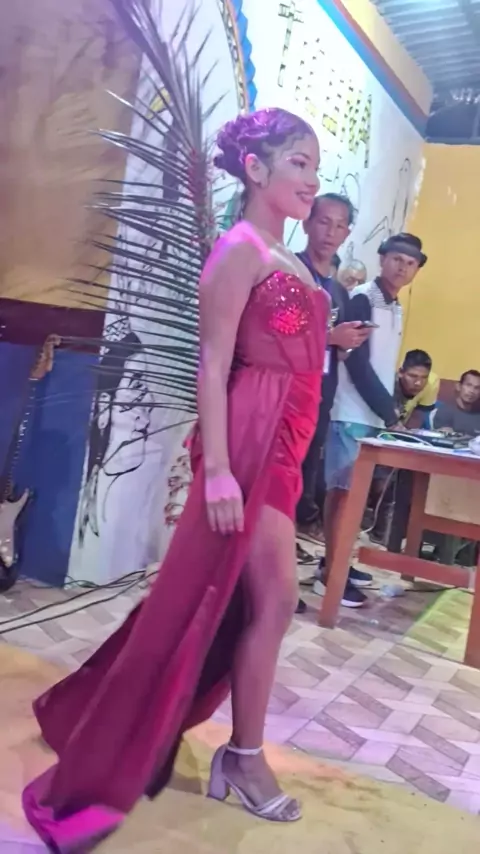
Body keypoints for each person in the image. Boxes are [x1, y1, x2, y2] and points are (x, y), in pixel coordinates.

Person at [22, 108, 331, 850]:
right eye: (297, 162)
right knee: (275, 596)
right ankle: (243, 758)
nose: (311, 180)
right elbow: (213, 363)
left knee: (231, 599)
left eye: (315, 166)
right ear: (254, 168)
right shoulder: (238, 249)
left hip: (286, 438)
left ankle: (101, 712)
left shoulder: (286, 257)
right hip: (252, 435)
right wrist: (218, 470)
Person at [319, 232, 428, 607]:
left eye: (410, 263)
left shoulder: (394, 306)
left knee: (353, 498)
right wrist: (390, 412)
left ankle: (337, 564)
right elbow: (356, 362)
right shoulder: (363, 298)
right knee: (342, 496)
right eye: (397, 259)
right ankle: (330, 576)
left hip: (371, 416)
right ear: (382, 259)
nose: (402, 268)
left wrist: (385, 413)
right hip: (350, 412)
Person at [294, 194, 373, 612]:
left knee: (300, 490)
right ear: (307, 222)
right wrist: (330, 339)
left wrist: (344, 345)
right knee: (275, 490)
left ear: (347, 233)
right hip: (283, 394)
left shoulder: (339, 290)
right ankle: (259, 584)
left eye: (340, 225)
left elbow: (330, 351)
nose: (330, 232)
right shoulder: (291, 271)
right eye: (323, 221)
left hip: (320, 397)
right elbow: (277, 336)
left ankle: (278, 580)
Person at [367, 349, 438, 546]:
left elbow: (417, 417)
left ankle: (385, 532)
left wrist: (403, 439)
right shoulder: (387, 380)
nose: (418, 383)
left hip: (399, 433)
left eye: (423, 378)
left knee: (396, 479)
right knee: (376, 479)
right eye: (413, 376)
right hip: (374, 429)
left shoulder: (432, 384)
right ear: (401, 372)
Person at [431, 370, 480, 434]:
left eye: (477, 388)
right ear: (458, 386)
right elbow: (442, 436)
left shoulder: (477, 413)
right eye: (468, 385)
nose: (472, 391)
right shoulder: (445, 411)